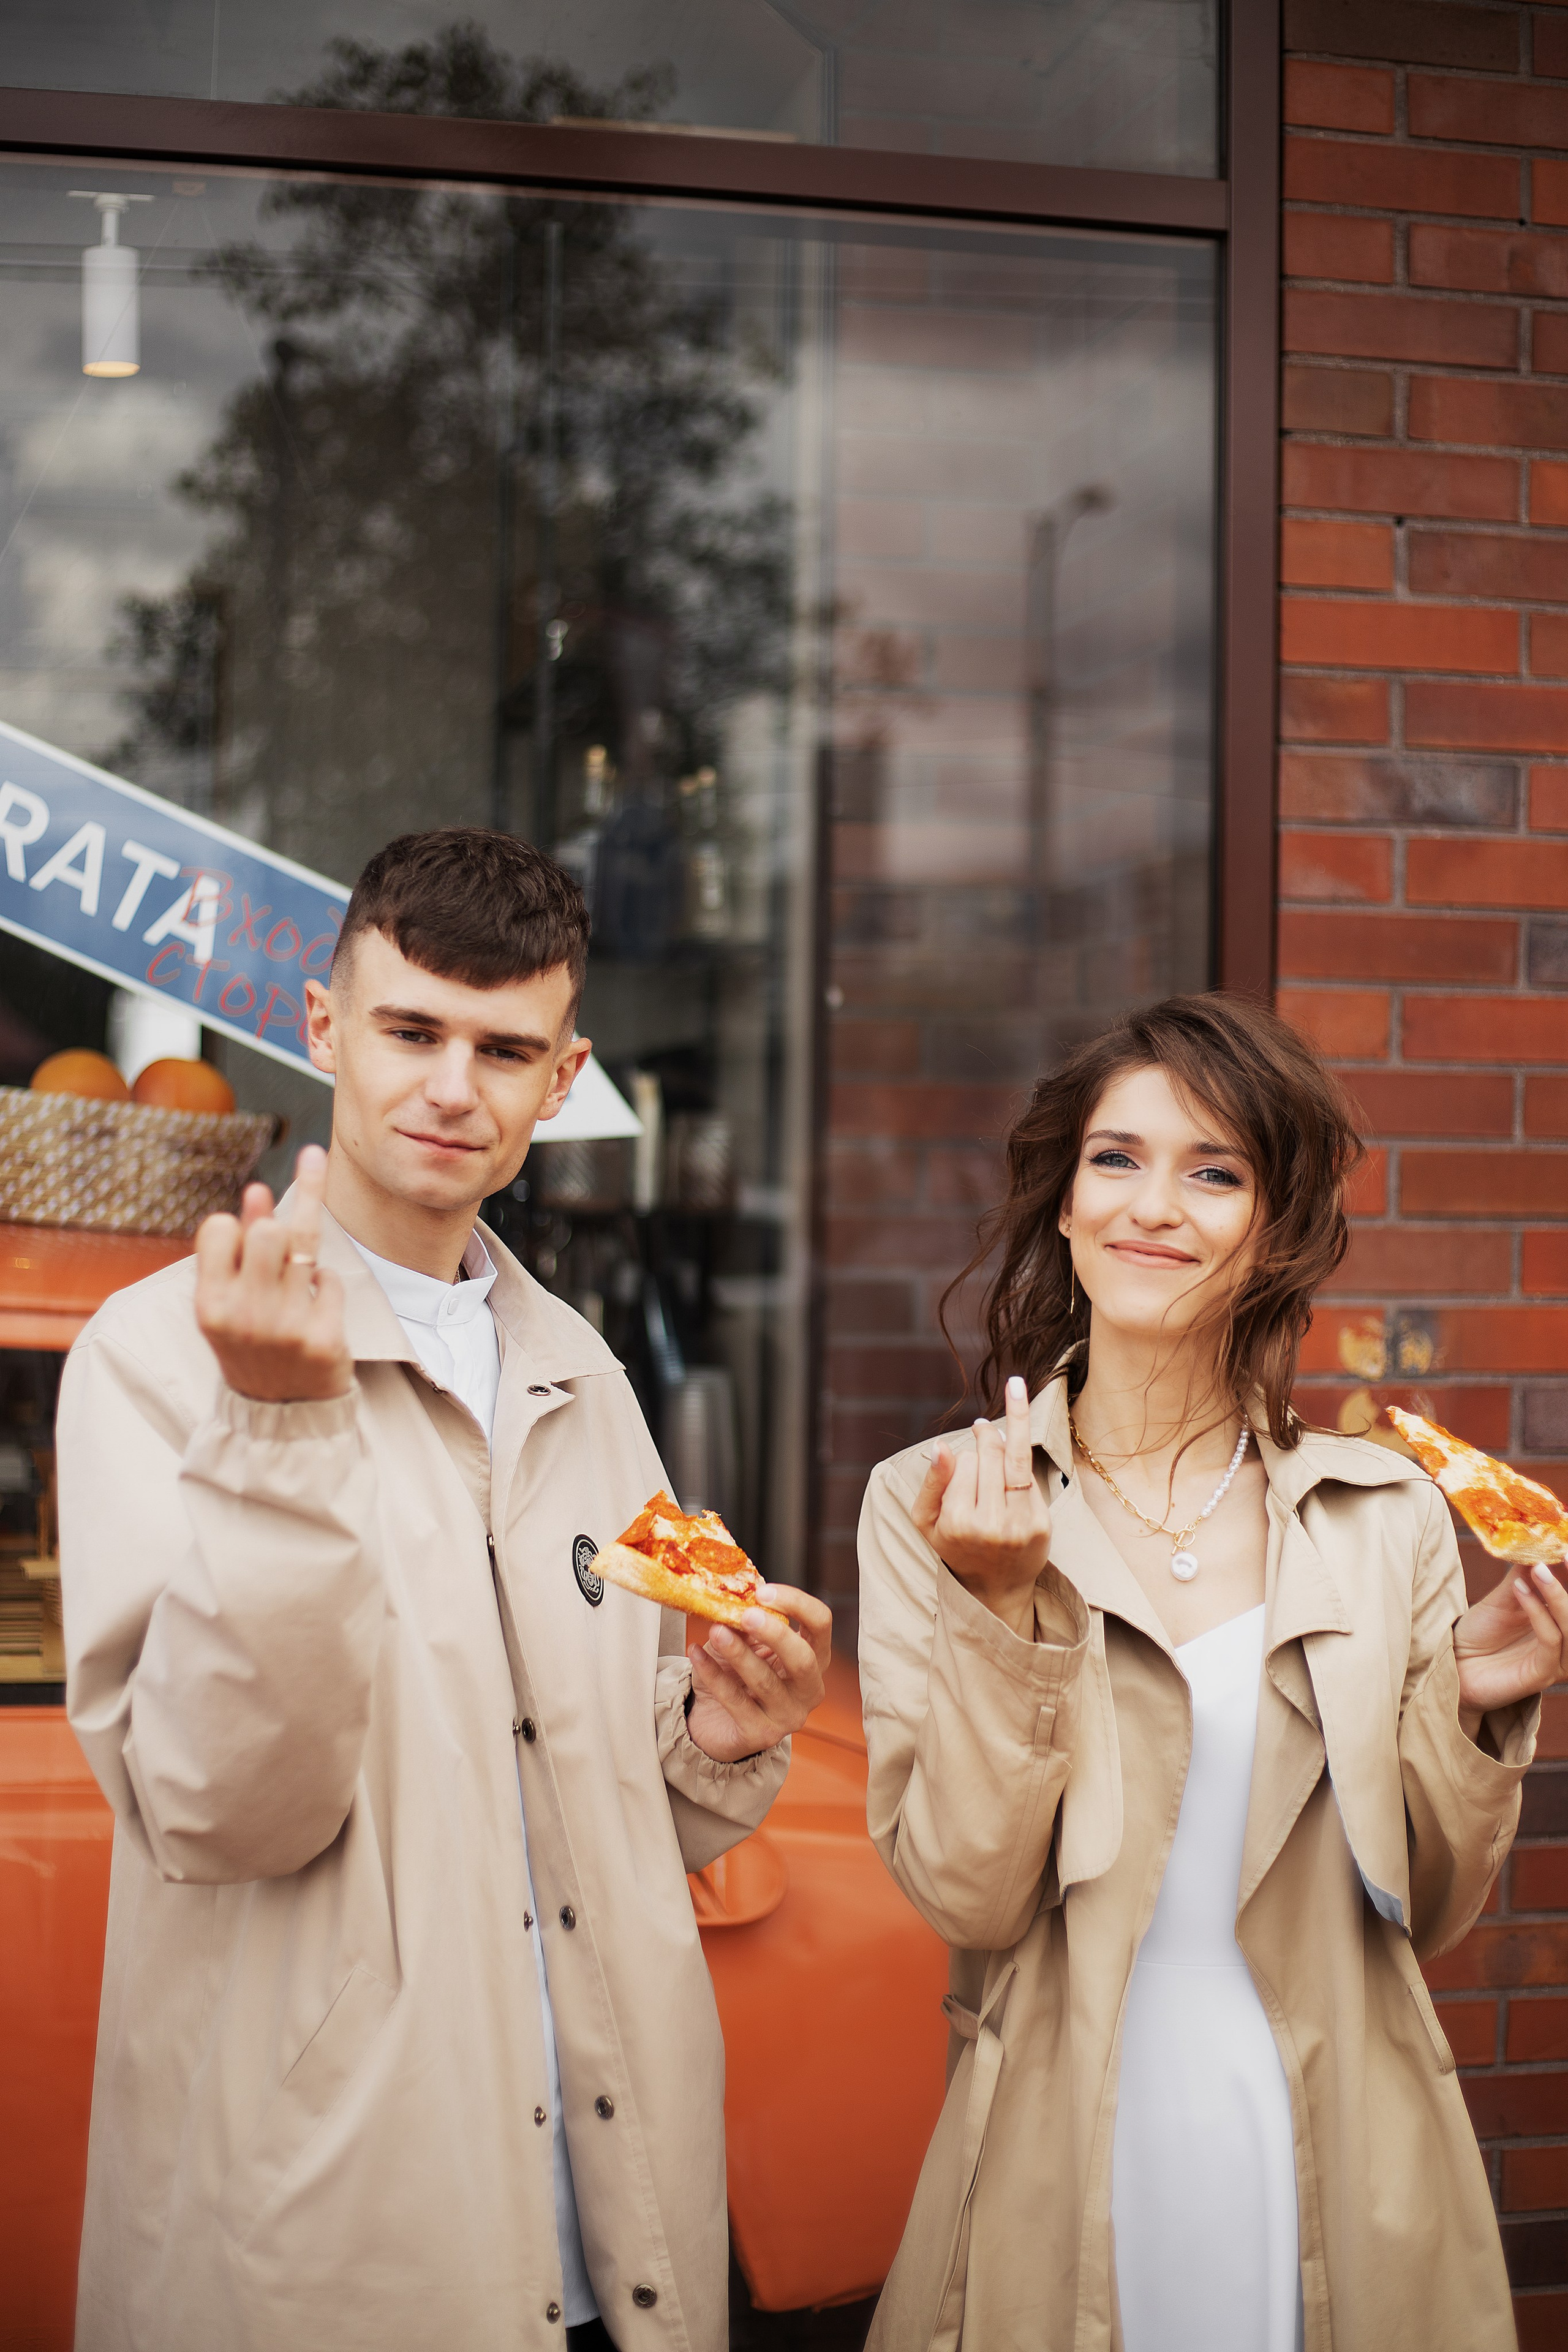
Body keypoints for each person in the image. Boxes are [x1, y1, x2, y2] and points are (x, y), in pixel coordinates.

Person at [58, 828, 831, 2352]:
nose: (450, 1086)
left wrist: (719, 1744)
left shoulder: (581, 1376)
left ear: (564, 1081)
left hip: (613, 2231)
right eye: (410, 1030)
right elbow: (220, 1812)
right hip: (336, 2236)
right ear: (324, 1025)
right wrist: (277, 1434)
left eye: (503, 1049)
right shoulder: (160, 1360)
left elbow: (597, 1826)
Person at [857, 993, 1561, 2352]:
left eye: (1213, 1172)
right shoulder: (936, 1503)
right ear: (1062, 1204)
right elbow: (966, 1891)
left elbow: (1420, 1907)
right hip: (1063, 2144)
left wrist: (1464, 1718)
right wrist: (1004, 1612)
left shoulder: (1382, 1512)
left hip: (1339, 2136)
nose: (1152, 1207)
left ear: (1273, 1225)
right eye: (1114, 1159)